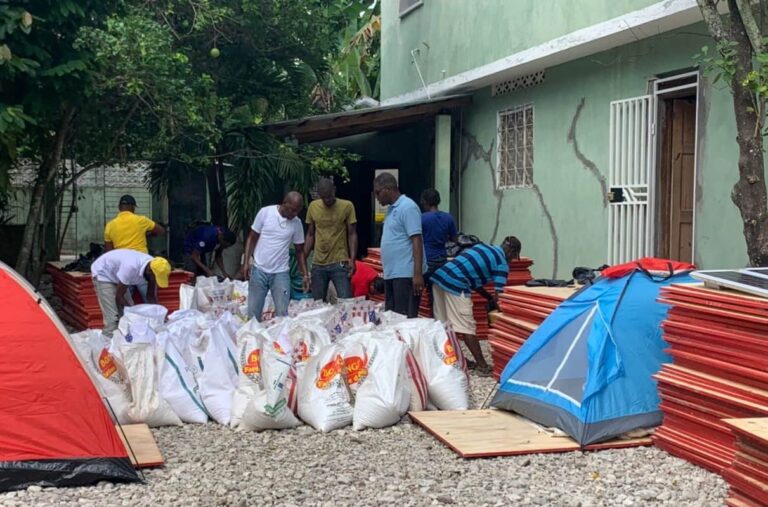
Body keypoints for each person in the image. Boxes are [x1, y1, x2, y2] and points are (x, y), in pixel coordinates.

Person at [430, 236, 522, 375]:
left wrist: (488, 297)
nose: (512, 260)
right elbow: (500, 295)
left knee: (443, 325)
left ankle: (450, 359)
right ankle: (482, 365)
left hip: (439, 278)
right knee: (467, 327)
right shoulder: (501, 262)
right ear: (511, 252)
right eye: (514, 257)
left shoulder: (483, 247)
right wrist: (503, 314)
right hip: (456, 284)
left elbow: (474, 280)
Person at [241, 192, 310, 321]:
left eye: (297, 211)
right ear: (284, 203)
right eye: (292, 210)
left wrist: (305, 275)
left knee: (282, 315)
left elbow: (299, 250)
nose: (294, 214)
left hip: (281, 273)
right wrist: (246, 263)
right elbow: (252, 237)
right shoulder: (265, 213)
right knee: (253, 315)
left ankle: (279, 339)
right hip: (259, 269)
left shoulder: (296, 223)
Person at [373, 172, 426, 318]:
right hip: (392, 274)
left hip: (405, 274)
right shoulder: (391, 210)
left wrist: (417, 274)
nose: (377, 198)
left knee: (404, 321)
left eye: (378, 193)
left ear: (388, 189)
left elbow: (417, 239)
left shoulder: (408, 207)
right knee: (393, 319)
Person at [90, 249, 171, 337]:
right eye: (155, 279)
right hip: (104, 273)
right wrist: (135, 314)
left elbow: (150, 296)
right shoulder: (131, 267)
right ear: (149, 272)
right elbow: (119, 297)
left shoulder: (155, 267)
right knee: (113, 319)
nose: (155, 281)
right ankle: (107, 344)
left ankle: (122, 341)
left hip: (119, 274)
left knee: (129, 313)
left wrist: (159, 317)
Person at [304, 178, 358, 302]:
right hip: (318, 263)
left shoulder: (347, 206)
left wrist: (352, 259)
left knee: (346, 302)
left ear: (334, 190)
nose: (327, 200)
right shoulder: (313, 207)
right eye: (324, 198)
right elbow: (310, 235)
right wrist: (303, 257)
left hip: (339, 261)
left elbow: (352, 234)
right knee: (318, 304)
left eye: (329, 196)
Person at [104, 194, 165, 302]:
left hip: (123, 266)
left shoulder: (110, 225)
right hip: (142, 265)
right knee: (149, 297)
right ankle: (154, 316)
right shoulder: (141, 220)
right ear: (133, 207)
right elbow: (161, 231)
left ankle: (126, 317)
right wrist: (147, 234)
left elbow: (109, 253)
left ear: (119, 208)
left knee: (125, 297)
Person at [420, 188, 458, 309]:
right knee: (438, 296)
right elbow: (455, 239)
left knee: (417, 293)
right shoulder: (448, 218)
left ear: (425, 202)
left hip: (427, 261)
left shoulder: (421, 218)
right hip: (442, 261)